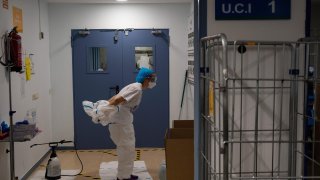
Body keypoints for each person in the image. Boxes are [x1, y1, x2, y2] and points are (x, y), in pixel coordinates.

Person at [82, 67, 157, 180]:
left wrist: (105, 104)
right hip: (121, 124)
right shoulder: (136, 89)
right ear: (146, 79)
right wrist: (102, 109)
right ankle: (123, 177)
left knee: (128, 149)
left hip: (122, 123)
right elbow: (117, 100)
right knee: (126, 150)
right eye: (152, 79)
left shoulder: (134, 86)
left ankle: (126, 173)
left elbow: (115, 97)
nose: (153, 82)